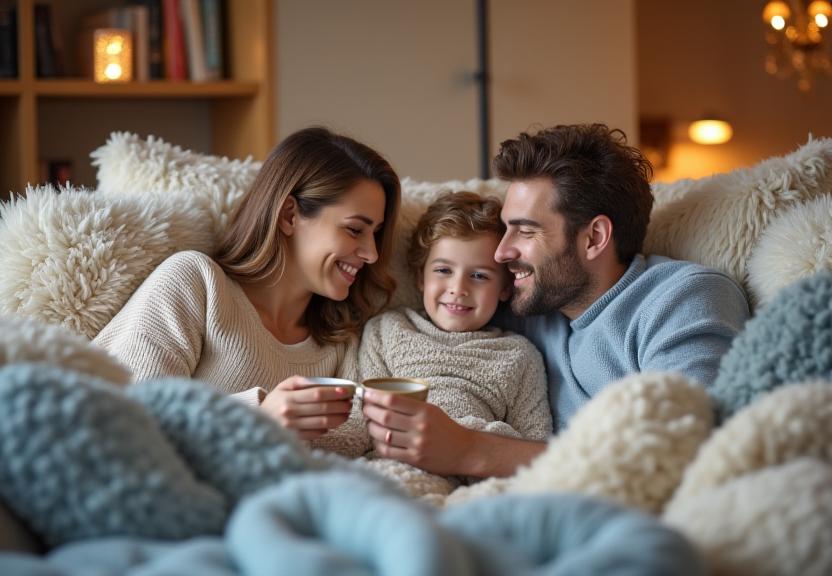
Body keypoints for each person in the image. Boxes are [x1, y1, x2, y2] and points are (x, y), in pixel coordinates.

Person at [360, 123, 750, 478]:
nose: (501, 253)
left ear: (594, 237)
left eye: (525, 231)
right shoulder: (528, 305)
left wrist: (470, 450)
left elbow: (686, 453)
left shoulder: (684, 298)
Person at [94, 127, 400, 453]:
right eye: (355, 230)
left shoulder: (340, 337)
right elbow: (122, 423)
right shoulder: (195, 284)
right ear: (289, 215)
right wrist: (259, 418)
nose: (371, 254)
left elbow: (354, 443)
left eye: (375, 234)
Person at [353, 192, 552, 498]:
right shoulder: (387, 330)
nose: (458, 289)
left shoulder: (520, 355)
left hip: (477, 485)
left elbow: (537, 450)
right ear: (420, 277)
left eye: (479, 275)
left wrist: (468, 435)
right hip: (389, 470)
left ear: (504, 288)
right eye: (443, 270)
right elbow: (360, 418)